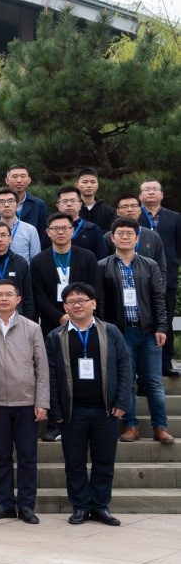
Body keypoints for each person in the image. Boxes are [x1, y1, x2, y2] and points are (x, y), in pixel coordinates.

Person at [45, 282, 131, 525]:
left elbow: (125, 367)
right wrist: (56, 410)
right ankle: (81, 506)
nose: (77, 305)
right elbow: (51, 376)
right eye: (71, 301)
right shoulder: (55, 336)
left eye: (82, 300)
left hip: (106, 410)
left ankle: (101, 506)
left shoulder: (111, 331)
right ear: (65, 307)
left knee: (104, 461)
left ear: (93, 303)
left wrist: (122, 401)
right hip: (73, 412)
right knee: (74, 463)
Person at [0, 278, 48, 524]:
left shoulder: (32, 328)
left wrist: (42, 401)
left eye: (9, 294)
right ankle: (5, 503)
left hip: (26, 402)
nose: (4, 298)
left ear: (18, 299)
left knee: (27, 456)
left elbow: (42, 368)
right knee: (1, 456)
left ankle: (26, 505)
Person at [98, 218, 172, 444]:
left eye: (129, 233)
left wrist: (161, 327)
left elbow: (158, 298)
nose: (125, 237)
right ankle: (131, 426)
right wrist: (105, 331)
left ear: (137, 238)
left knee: (154, 382)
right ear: (112, 238)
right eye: (120, 233)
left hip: (148, 331)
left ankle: (160, 427)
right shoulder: (102, 266)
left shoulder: (150, 265)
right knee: (126, 381)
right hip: (120, 333)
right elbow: (100, 303)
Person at [139, 179, 180, 377]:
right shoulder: (134, 215)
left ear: (162, 194)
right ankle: (142, 366)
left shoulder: (175, 217)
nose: (151, 192)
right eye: (146, 189)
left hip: (167, 276)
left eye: (155, 189)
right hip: (139, 276)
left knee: (166, 320)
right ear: (140, 196)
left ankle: (166, 362)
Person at [54, 186, 107, 259]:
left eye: (73, 200)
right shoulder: (51, 230)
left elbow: (101, 260)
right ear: (58, 206)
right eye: (65, 201)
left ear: (80, 205)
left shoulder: (93, 230)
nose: (69, 204)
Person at [0, 188, 43, 261]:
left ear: (17, 205)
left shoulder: (30, 230)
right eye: (2, 202)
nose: (6, 205)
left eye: (11, 201)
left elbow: (36, 260)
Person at [6, 165, 49, 240]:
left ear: (29, 180)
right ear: (7, 180)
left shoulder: (38, 205)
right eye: (14, 177)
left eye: (23, 176)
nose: (19, 180)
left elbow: (43, 233)